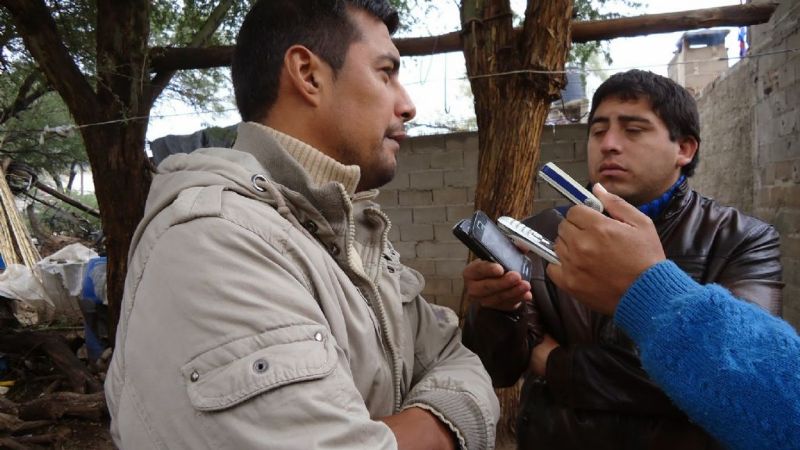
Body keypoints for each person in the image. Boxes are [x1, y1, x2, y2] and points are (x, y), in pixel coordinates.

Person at [105, 1, 500, 449]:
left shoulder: (346, 230)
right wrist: (448, 423)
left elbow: (454, 355)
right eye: (386, 73)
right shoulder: (213, 243)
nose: (407, 105)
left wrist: (416, 426)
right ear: (308, 75)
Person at [462, 69, 783, 449]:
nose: (609, 144)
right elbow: (498, 368)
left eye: (633, 130)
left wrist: (555, 363)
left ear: (684, 149)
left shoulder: (740, 239)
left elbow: (739, 380)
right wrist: (498, 311)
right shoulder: (542, 232)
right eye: (598, 131)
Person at [547, 183, 800, 450]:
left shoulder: (746, 235)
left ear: (685, 157)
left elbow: (756, 380)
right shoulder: (558, 227)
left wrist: (555, 363)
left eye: (635, 139)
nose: (609, 152)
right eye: (596, 139)